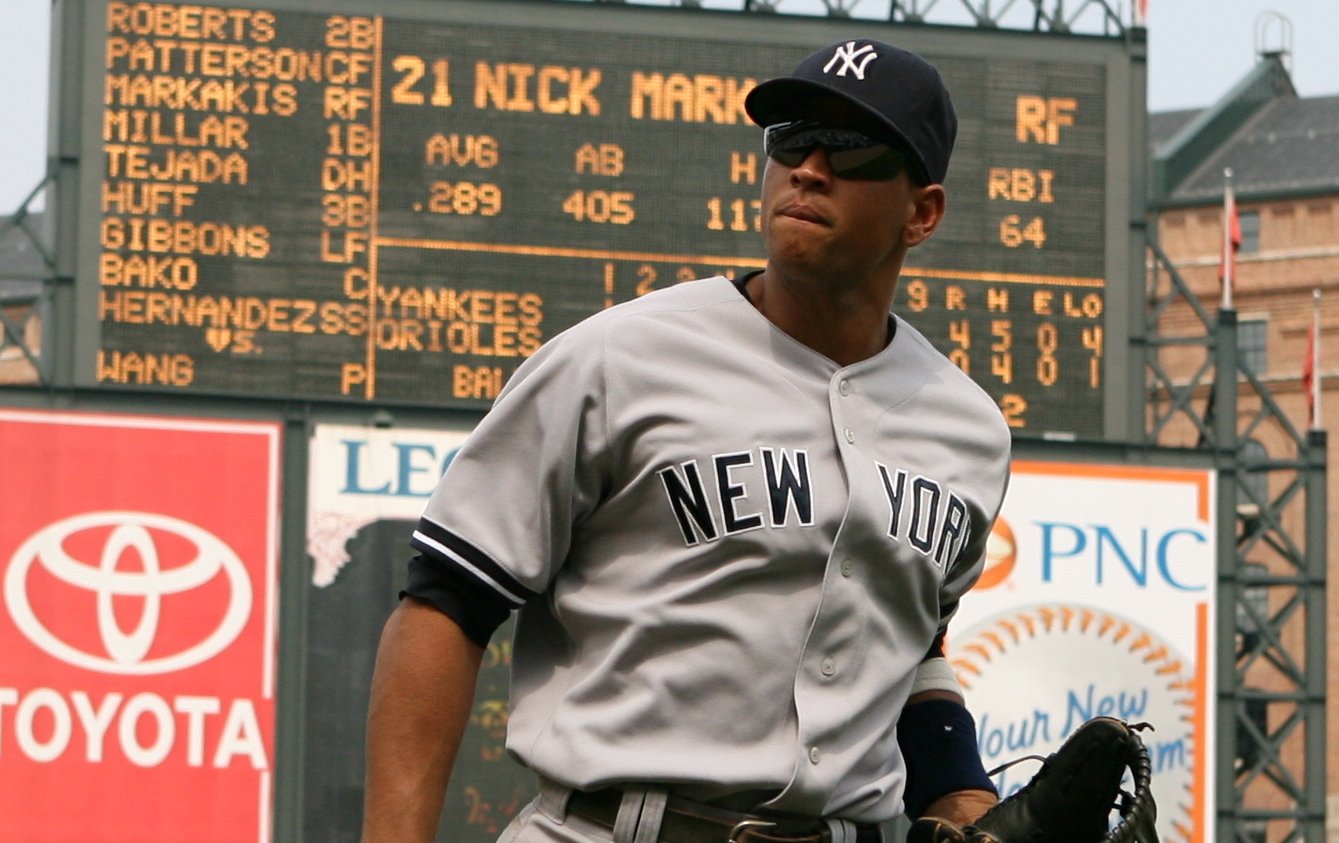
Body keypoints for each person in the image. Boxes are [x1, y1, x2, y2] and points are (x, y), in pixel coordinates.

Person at [363, 38, 1012, 843]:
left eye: (851, 147)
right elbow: (445, 601)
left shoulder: (969, 429)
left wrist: (958, 787)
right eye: (789, 139)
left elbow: (915, 646)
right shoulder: (615, 357)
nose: (809, 167)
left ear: (922, 211)